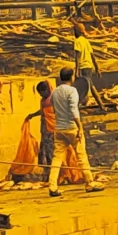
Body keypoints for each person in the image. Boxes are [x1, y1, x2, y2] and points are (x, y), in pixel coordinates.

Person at [49, 67, 88, 196]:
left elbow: (54, 109)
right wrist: (80, 126)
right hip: (71, 128)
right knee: (81, 156)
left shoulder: (54, 92)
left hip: (59, 129)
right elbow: (73, 110)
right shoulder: (72, 91)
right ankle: (89, 182)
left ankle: (52, 187)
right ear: (71, 77)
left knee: (57, 159)